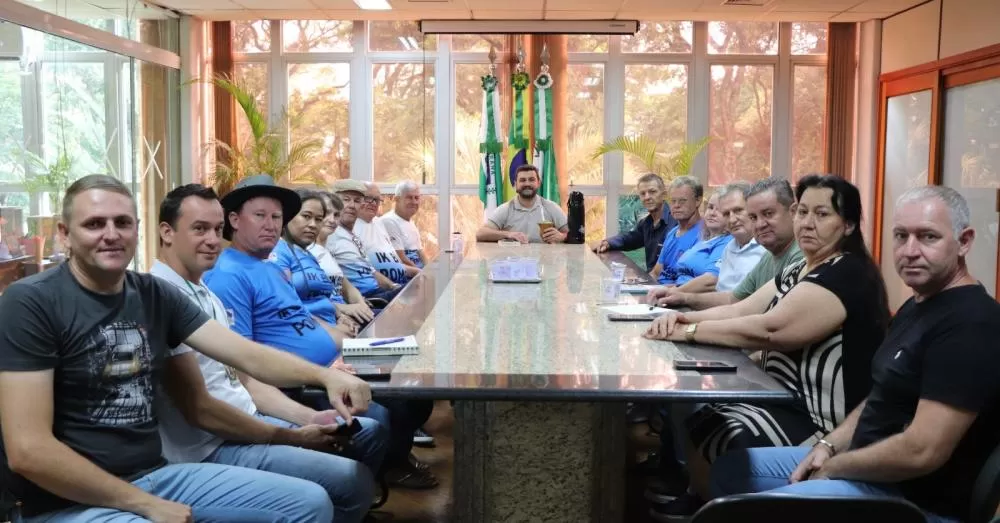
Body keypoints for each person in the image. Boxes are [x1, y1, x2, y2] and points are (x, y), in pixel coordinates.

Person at [0, 175, 371, 522]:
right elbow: (28, 451)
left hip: (153, 474)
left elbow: (245, 355)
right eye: (95, 224)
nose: (111, 235)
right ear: (64, 234)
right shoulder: (31, 302)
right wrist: (147, 505)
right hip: (70, 498)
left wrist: (326, 377)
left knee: (310, 503)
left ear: (138, 229)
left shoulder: (153, 293)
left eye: (123, 223)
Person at [709, 185, 1000, 523]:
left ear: (964, 241)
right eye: (901, 236)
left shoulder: (972, 323)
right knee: (732, 469)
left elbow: (922, 451)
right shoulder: (917, 305)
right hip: (863, 463)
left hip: (908, 499)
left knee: (745, 510)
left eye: (928, 237)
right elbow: (881, 395)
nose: (910, 250)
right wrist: (828, 447)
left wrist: (835, 467)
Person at [644, 174, 890, 518]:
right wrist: (685, 320)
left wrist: (689, 332)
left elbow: (771, 329)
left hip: (827, 423)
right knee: (706, 417)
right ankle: (703, 504)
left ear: (847, 225)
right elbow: (742, 308)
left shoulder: (846, 273)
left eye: (822, 215)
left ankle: (721, 507)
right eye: (803, 212)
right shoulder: (802, 267)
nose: (807, 223)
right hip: (788, 399)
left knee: (729, 431)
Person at [151, 183, 387, 523]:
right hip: (211, 446)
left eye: (217, 230)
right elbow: (202, 409)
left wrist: (308, 418)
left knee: (361, 456)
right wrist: (294, 435)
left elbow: (245, 374)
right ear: (166, 232)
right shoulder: (163, 295)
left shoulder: (203, 292)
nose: (213, 240)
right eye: (199, 229)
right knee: (338, 487)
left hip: (248, 420)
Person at [203, 175, 351, 366]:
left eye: (276, 217)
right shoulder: (227, 275)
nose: (271, 225)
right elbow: (243, 364)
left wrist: (355, 347)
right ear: (235, 220)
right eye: (260, 215)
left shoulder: (273, 269)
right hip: (305, 389)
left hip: (338, 368)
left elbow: (304, 318)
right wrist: (324, 376)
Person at [649, 177, 802, 310]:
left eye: (768, 214)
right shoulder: (734, 248)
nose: (732, 219)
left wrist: (690, 326)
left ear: (793, 212)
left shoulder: (791, 254)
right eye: (727, 214)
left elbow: (755, 317)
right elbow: (732, 300)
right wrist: (682, 299)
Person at [270, 188, 361, 335]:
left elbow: (323, 300)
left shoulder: (308, 254)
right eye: (306, 216)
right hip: (313, 336)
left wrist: (340, 316)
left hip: (337, 330)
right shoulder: (278, 253)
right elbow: (286, 308)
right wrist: (334, 330)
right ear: (287, 216)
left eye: (318, 219)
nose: (313, 224)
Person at [327, 180, 404, 305]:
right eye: (346, 199)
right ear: (333, 204)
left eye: (357, 201)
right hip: (365, 299)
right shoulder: (330, 234)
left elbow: (371, 271)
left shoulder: (354, 236)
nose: (352, 205)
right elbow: (332, 279)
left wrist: (394, 286)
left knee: (418, 289)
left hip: (378, 293)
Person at [307, 191, 375, 327]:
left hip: (348, 313)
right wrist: (344, 309)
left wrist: (361, 306)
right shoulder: (306, 251)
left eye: (336, 215)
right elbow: (306, 302)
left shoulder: (326, 251)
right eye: (326, 214)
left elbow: (347, 288)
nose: (332, 220)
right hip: (331, 319)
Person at [592, 173, 677, 272]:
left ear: (664, 195)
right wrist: (607, 242)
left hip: (669, 283)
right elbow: (628, 239)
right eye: (642, 194)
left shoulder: (676, 222)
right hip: (651, 280)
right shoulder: (646, 223)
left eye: (652, 192)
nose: (647, 197)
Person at [476, 164, 568, 244]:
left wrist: (562, 236)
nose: (527, 183)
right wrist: (509, 234)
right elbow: (480, 234)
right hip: (514, 262)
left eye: (531, 180)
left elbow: (576, 235)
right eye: (522, 180)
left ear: (538, 183)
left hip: (545, 262)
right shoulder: (506, 209)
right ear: (516, 185)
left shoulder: (551, 207)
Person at [356, 182, 416, 284]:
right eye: (368, 198)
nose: (374, 203)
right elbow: (366, 271)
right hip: (380, 289)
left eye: (377, 200)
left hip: (402, 283)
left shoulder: (378, 222)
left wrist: (420, 272)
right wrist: (392, 286)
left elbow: (396, 263)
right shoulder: (351, 226)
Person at [670, 189, 731, 288]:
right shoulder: (703, 240)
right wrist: (661, 289)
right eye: (710, 207)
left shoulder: (727, 241)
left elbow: (711, 280)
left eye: (720, 210)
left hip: (690, 299)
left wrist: (673, 292)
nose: (712, 213)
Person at [652, 176, 704, 284]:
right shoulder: (672, 233)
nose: (676, 206)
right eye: (673, 201)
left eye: (682, 201)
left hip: (680, 296)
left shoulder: (706, 234)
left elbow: (694, 283)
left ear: (698, 201)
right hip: (658, 293)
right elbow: (656, 273)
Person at [379, 180, 428, 269]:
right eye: (409, 197)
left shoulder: (410, 222)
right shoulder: (389, 221)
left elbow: (420, 252)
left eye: (416, 198)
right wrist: (421, 275)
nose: (414, 202)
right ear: (397, 199)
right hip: (408, 278)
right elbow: (400, 259)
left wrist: (429, 271)